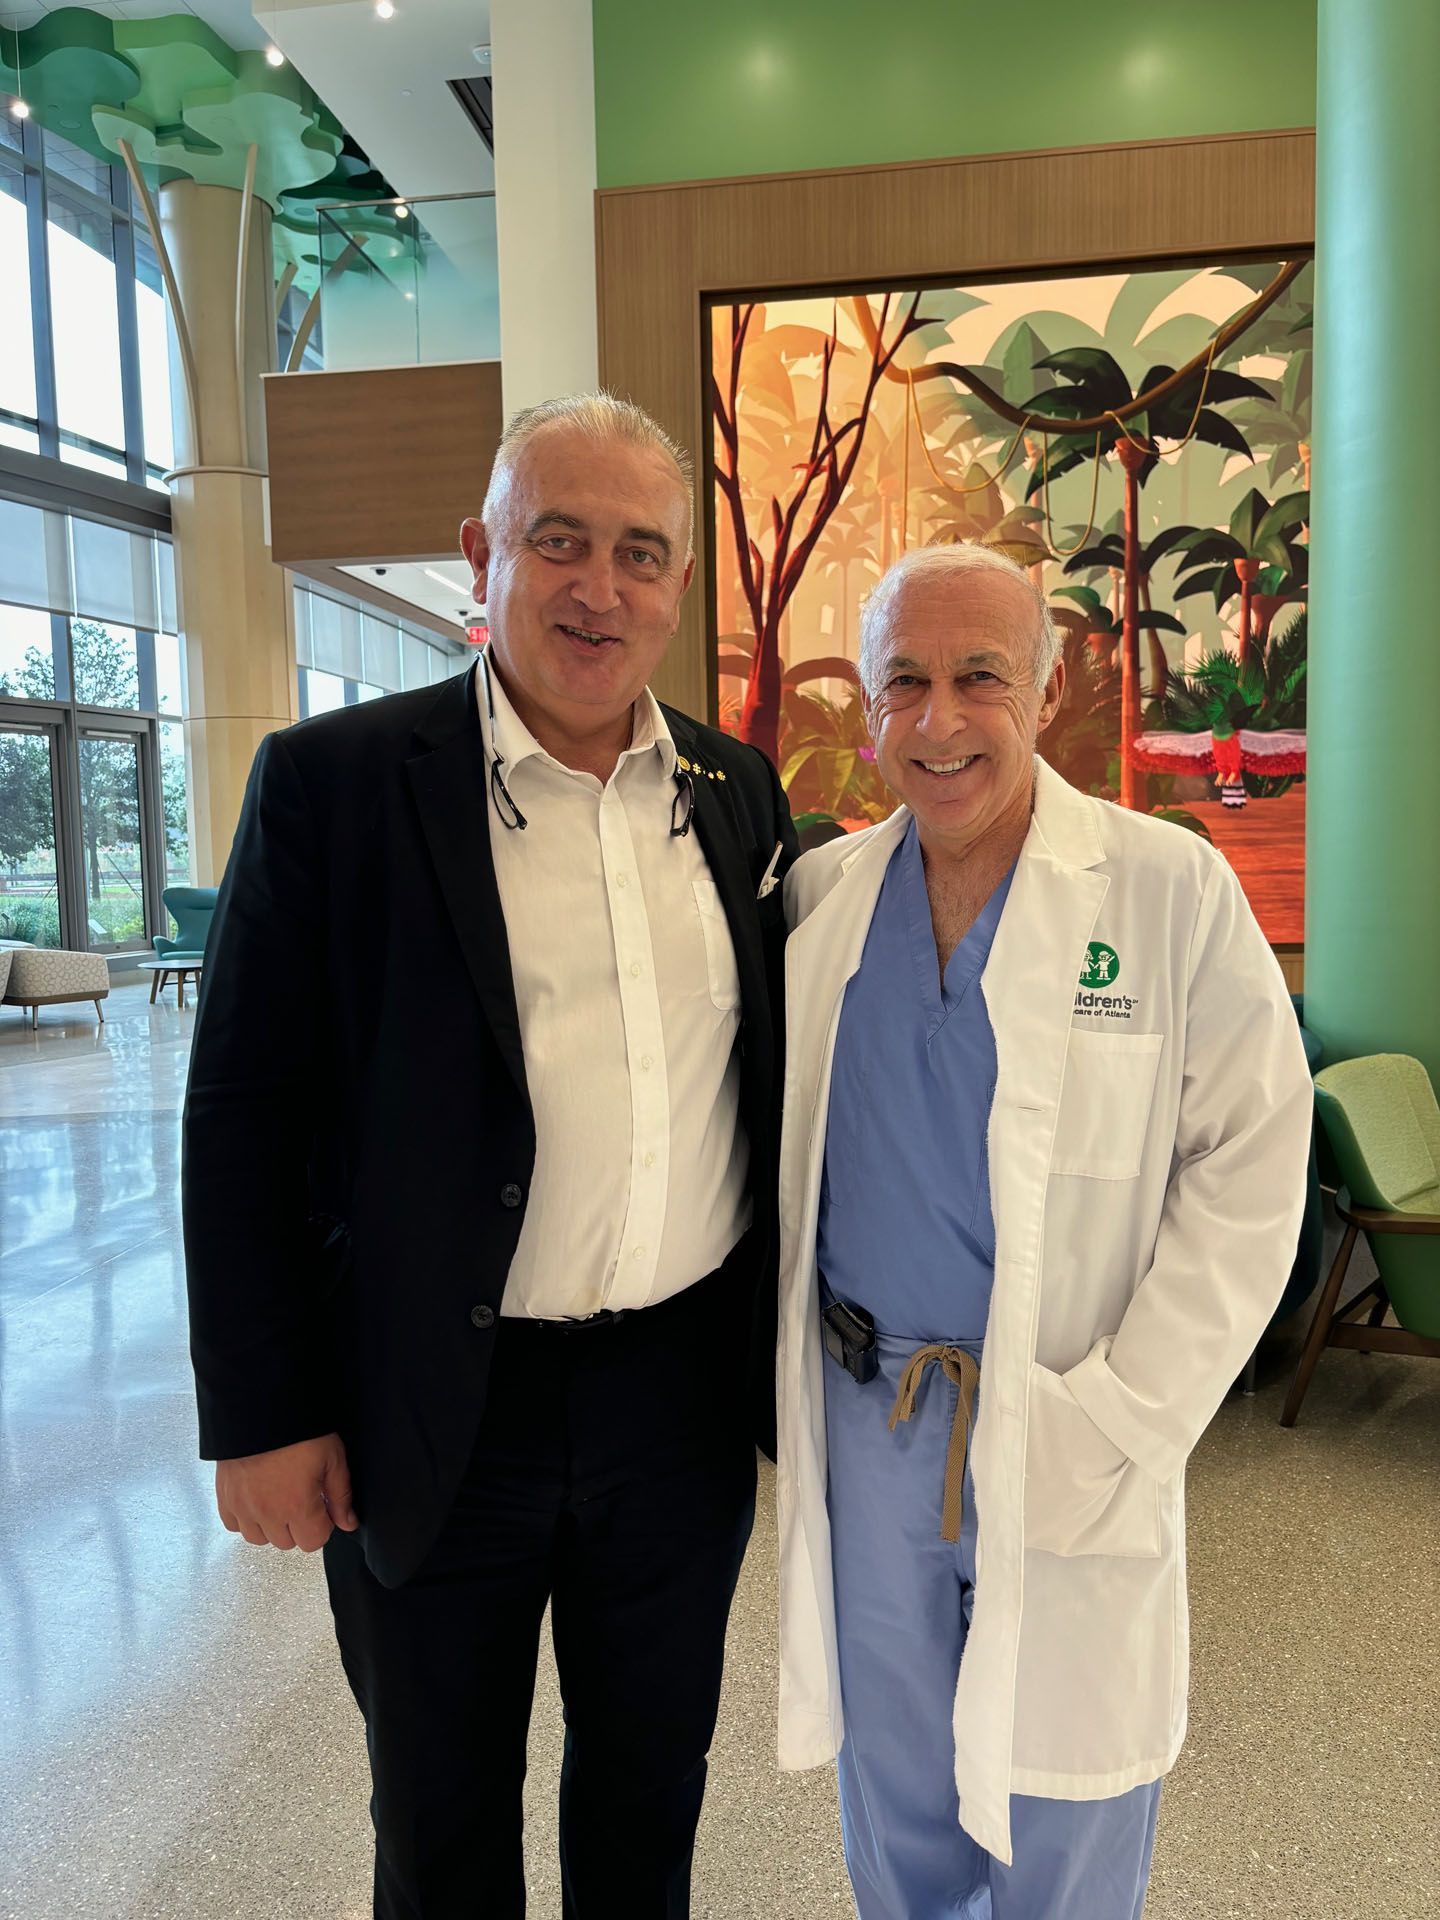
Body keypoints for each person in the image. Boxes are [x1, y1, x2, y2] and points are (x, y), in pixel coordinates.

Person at [183, 392, 797, 1918]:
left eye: (640, 553)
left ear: (678, 584)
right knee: (441, 1818)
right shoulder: (335, 786)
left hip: (677, 1406)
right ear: (483, 553)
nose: (600, 588)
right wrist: (263, 1412)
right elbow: (243, 1111)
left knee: (649, 1795)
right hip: (432, 1402)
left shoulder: (735, 794)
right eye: (559, 540)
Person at [773, 543, 1313, 1918]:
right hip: (871, 1422)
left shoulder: (1165, 889)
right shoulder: (826, 902)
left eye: (980, 678)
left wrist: (1124, 1414)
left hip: (1071, 1408)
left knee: (1068, 1797)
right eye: (904, 682)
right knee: (898, 1781)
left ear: (1049, 689)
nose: (939, 721)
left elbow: (1254, 1162)